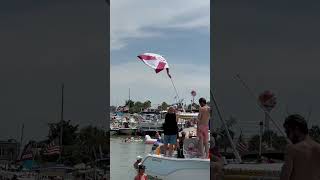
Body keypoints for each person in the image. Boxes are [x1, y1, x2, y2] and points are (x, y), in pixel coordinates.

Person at [280, 114, 320, 180]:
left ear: (296, 129)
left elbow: (285, 176)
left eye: (288, 132)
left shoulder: (292, 149)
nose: (288, 136)